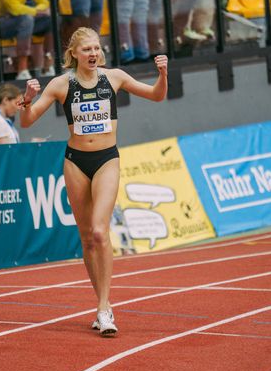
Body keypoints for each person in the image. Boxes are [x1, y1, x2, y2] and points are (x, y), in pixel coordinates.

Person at [18, 26, 168, 335]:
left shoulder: (114, 78)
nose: (93, 54)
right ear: (73, 54)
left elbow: (156, 96)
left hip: (106, 159)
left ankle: (104, 308)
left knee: (101, 231)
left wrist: (163, 75)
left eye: (97, 48)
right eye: (87, 49)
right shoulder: (61, 84)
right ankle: (102, 304)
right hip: (75, 162)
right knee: (87, 237)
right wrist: (27, 99)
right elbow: (28, 120)